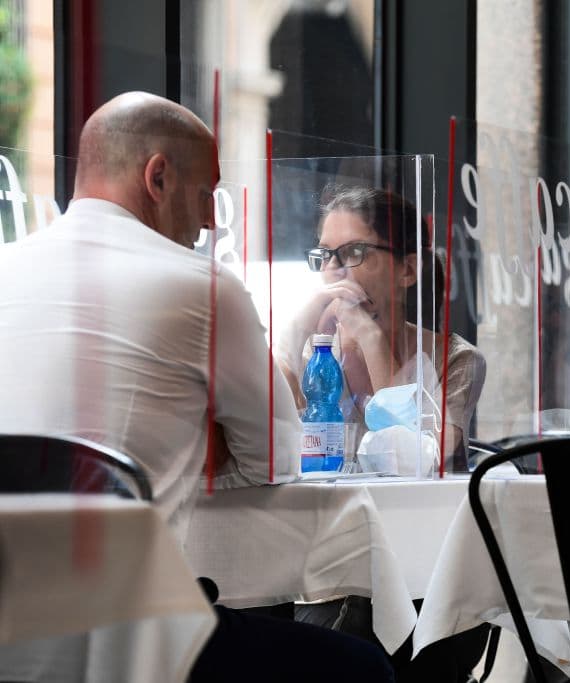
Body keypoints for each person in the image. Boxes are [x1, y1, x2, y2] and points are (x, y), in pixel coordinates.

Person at [0, 92, 393, 682]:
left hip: (9, 632)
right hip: (127, 638)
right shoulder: (204, 287)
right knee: (362, 669)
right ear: (157, 176)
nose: (211, 219)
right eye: (207, 192)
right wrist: (196, 440)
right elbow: (277, 457)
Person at [276, 186, 486, 470]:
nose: (333, 267)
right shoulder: (312, 356)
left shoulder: (455, 359)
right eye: (325, 254)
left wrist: (370, 338)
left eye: (354, 251)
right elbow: (263, 447)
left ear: (407, 270)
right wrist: (296, 329)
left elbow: (417, 463)